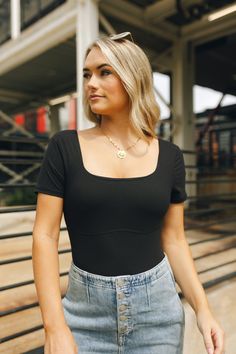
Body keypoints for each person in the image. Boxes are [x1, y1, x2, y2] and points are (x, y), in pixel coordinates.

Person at [32, 32, 225, 354]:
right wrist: (54, 327)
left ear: (133, 77)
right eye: (87, 74)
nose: (91, 83)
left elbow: (175, 240)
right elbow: (44, 235)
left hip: (158, 314)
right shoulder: (64, 147)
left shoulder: (170, 156)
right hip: (83, 315)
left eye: (104, 72)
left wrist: (202, 309)